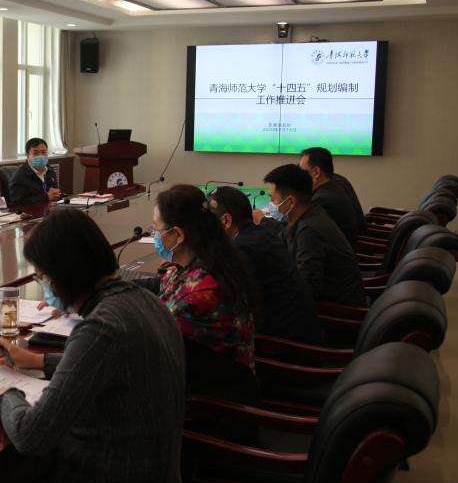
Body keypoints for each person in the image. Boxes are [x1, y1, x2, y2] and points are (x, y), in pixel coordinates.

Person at [0, 210, 190, 483]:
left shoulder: (100, 327)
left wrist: (4, 396)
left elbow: (31, 435)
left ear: (64, 275)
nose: (43, 284)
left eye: (42, 275)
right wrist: (39, 361)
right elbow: (114, 367)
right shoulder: (146, 300)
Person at [134, 185, 260, 405]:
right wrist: (113, 286)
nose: (154, 234)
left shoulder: (200, 292)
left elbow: (151, 346)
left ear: (177, 235)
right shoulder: (207, 261)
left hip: (212, 407)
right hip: (207, 378)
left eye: (156, 228)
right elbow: (161, 283)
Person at [209, 186, 322, 344]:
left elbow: (225, 301)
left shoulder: (243, 249)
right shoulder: (260, 234)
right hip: (301, 330)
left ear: (226, 220)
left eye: (208, 222)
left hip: (287, 346)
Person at [262, 164, 366, 308]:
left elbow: (307, 290)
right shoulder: (309, 214)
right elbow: (280, 242)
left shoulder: (310, 231)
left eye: (272, 199)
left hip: (339, 313)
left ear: (290, 202)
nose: (270, 204)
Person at [297, 146, 364, 247]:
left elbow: (302, 231)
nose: (299, 176)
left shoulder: (323, 200)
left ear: (316, 172)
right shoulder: (337, 182)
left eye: (302, 171)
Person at [8, 137, 61, 207]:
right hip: (31, 212)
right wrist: (46, 197)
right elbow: (18, 203)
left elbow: (53, 194)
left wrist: (56, 194)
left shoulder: (50, 170)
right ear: (27, 155)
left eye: (43, 152)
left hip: (50, 209)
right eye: (35, 153)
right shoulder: (19, 176)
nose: (40, 156)